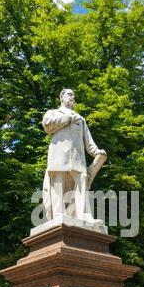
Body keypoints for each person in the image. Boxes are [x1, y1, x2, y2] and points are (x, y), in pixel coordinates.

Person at [42, 89, 107, 223]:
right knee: (58, 182)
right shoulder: (53, 113)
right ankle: (59, 214)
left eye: (73, 95)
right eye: (69, 94)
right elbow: (47, 126)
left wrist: (97, 152)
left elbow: (88, 142)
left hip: (78, 157)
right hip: (59, 154)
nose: (72, 97)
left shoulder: (81, 119)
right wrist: (69, 118)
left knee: (82, 179)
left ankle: (83, 215)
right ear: (61, 97)